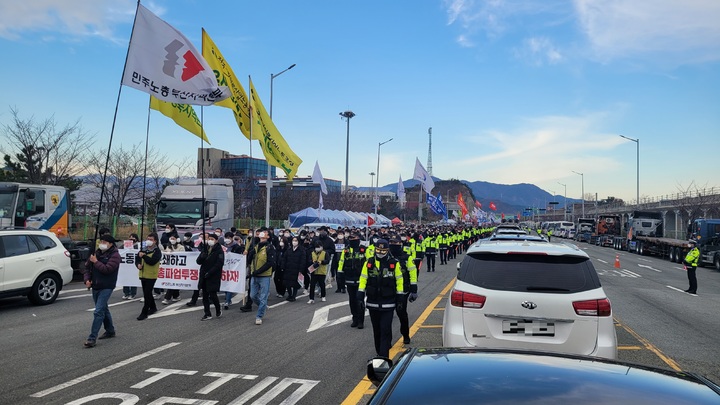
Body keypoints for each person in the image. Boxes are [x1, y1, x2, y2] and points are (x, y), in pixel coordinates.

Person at [357, 239, 404, 358]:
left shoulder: (394, 263)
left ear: (387, 251)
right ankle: (379, 352)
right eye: (378, 250)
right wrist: (360, 296)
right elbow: (363, 279)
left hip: (388, 303)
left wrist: (400, 298)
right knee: (376, 330)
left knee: (385, 329)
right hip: (373, 303)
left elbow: (399, 280)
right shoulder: (369, 263)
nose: (380, 252)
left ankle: (384, 357)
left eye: (383, 251)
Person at [83, 234, 121, 348]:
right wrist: (87, 280)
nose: (102, 244)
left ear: (110, 244)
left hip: (107, 286)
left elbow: (107, 269)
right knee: (104, 308)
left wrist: (96, 262)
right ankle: (110, 330)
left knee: (98, 311)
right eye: (101, 241)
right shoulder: (96, 253)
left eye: (104, 242)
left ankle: (92, 338)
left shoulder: (115, 255)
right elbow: (87, 268)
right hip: (96, 285)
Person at [390, 237, 418, 344]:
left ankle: (405, 334)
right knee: (387, 317)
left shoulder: (407, 258)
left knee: (401, 313)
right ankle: (387, 340)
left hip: (403, 291)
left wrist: (414, 289)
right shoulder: (387, 257)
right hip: (388, 290)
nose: (394, 244)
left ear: (400, 244)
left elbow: (412, 274)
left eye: (396, 242)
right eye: (392, 242)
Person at [338, 232, 367, 328]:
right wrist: (340, 275)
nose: (352, 239)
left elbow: (369, 264)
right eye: (350, 237)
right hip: (349, 279)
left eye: (354, 237)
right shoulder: (346, 250)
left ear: (358, 238)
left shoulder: (363, 249)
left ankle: (360, 320)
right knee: (352, 301)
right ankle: (354, 318)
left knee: (359, 300)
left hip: (361, 280)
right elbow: (341, 262)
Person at [247, 228, 275, 325]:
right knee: (252, 295)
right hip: (254, 275)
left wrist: (258, 271)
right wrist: (250, 254)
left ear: (268, 236)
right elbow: (249, 259)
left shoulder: (270, 248)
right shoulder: (256, 246)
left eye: (266, 233)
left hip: (264, 276)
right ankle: (262, 306)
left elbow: (270, 262)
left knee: (263, 296)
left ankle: (259, 315)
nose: (263, 234)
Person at [197, 232, 224, 320]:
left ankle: (218, 308)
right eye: (209, 239)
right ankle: (207, 313)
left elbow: (219, 264)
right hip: (203, 275)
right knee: (204, 296)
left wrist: (210, 272)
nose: (210, 241)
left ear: (216, 241)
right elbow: (198, 261)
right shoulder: (205, 249)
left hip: (213, 276)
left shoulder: (219, 251)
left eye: (212, 239)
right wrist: (202, 257)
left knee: (213, 294)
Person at [136, 233, 162, 321]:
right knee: (147, 293)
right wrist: (138, 264)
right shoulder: (143, 249)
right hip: (143, 274)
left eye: (151, 239)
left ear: (155, 241)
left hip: (151, 275)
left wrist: (144, 256)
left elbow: (152, 261)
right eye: (148, 239)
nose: (149, 241)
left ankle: (144, 312)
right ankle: (153, 307)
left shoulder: (157, 251)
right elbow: (137, 258)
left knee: (147, 293)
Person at [161, 233, 187, 304]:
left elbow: (183, 255)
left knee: (172, 282)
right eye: (171, 238)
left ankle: (167, 298)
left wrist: (173, 253)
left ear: (177, 239)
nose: (172, 240)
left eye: (173, 239)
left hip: (178, 267)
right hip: (170, 267)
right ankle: (176, 296)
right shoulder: (168, 246)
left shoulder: (181, 247)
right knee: (174, 282)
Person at [223, 232, 244, 309]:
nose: (227, 239)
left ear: (232, 238)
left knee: (230, 284)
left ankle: (227, 301)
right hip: (224, 268)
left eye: (229, 238)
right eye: (226, 237)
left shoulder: (237, 247)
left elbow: (239, 257)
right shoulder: (223, 246)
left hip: (233, 268)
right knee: (225, 284)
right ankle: (227, 298)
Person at [282, 236, 306, 302]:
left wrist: (301, 270)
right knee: (287, 283)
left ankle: (293, 296)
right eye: (293, 240)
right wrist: (283, 266)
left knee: (295, 284)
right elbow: (284, 258)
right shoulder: (289, 249)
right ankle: (290, 294)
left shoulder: (301, 250)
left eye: (296, 241)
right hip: (288, 268)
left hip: (297, 269)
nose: (294, 242)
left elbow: (303, 260)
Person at [122, 233, 140, 299]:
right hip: (126, 265)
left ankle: (133, 293)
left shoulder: (138, 245)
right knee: (126, 279)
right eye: (130, 237)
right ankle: (126, 293)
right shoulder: (126, 244)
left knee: (133, 279)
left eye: (133, 237)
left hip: (134, 265)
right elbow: (120, 250)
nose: (131, 239)